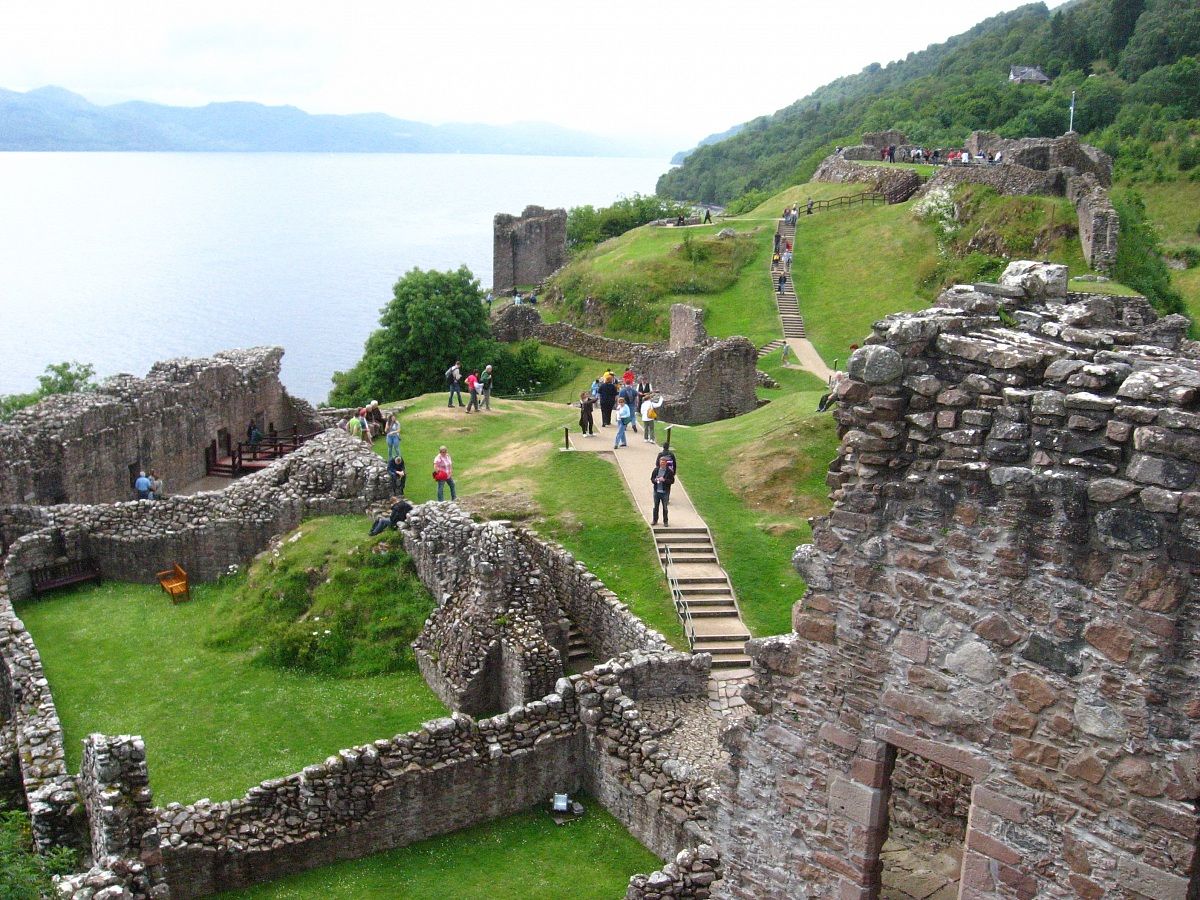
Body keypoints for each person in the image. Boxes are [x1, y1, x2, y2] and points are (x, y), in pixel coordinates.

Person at [650, 457, 675, 527]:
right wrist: (656, 480)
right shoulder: (656, 470)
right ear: (659, 462)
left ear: (666, 463)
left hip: (665, 492)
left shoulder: (669, 471)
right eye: (661, 462)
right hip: (657, 491)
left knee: (665, 507)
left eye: (663, 462)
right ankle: (655, 520)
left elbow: (672, 481)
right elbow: (652, 479)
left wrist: (664, 480)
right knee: (655, 507)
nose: (662, 463)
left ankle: (665, 521)